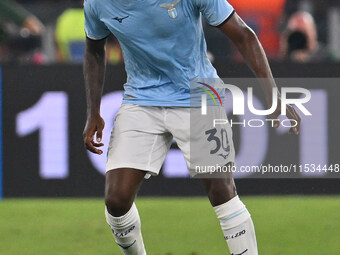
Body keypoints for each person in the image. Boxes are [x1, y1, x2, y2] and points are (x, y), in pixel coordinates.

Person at [82, 0, 301, 254]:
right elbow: (94, 49)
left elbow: (244, 35)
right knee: (116, 201)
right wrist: (93, 111)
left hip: (199, 94)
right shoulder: (97, 3)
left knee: (222, 192)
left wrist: (272, 94)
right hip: (141, 99)